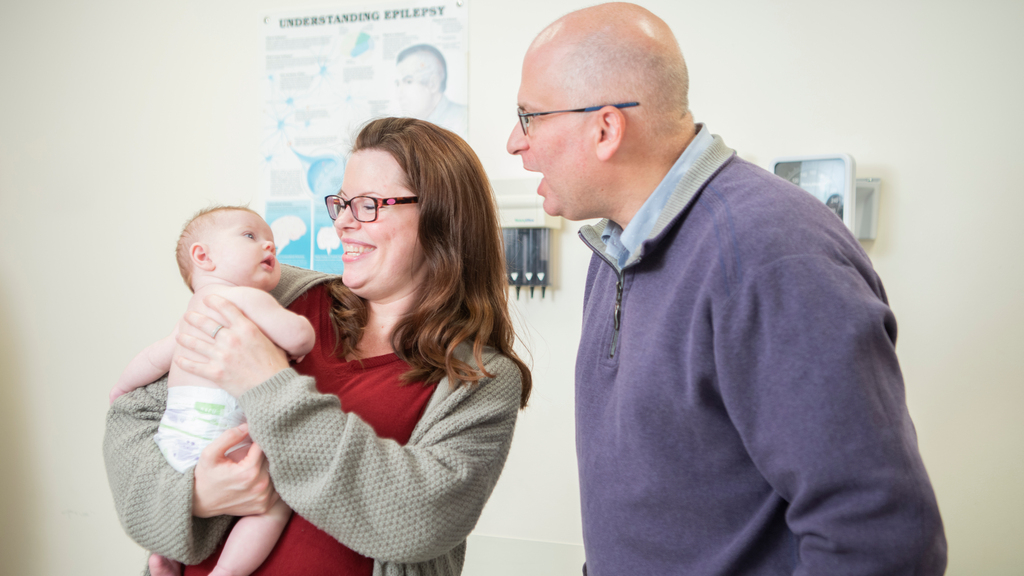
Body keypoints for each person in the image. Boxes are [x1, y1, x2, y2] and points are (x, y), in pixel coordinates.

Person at [506, 3, 946, 575]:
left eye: (529, 116)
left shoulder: (769, 255)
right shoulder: (617, 246)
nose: (515, 142)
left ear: (606, 128)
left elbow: (879, 536)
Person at [105, 117, 531, 576]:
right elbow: (136, 414)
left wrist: (268, 381)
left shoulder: (479, 378)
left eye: (368, 204)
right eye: (342, 203)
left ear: (443, 217)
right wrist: (192, 496)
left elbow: (421, 519)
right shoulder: (277, 297)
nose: (344, 223)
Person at [109, 206, 314, 576]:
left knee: (187, 507)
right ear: (203, 256)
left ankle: (167, 557)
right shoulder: (245, 299)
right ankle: (228, 571)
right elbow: (299, 334)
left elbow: (155, 357)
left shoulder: (191, 315)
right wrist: (299, 343)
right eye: (250, 236)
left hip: (172, 442)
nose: (268, 243)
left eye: (272, 242)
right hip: (225, 437)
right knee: (275, 501)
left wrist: (121, 387)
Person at [395, 44, 468, 138]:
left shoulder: (465, 121)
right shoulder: (410, 128)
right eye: (397, 84)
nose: (399, 94)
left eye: (408, 81)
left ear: (433, 84)